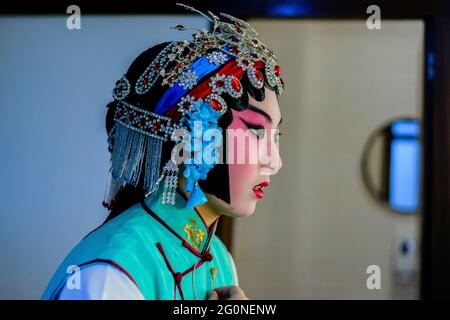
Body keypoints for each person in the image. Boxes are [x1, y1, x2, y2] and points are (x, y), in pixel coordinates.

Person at [42, 4, 284, 300]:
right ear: (191, 137)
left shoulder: (219, 259)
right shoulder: (111, 272)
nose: (275, 162)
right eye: (257, 133)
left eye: (277, 136)